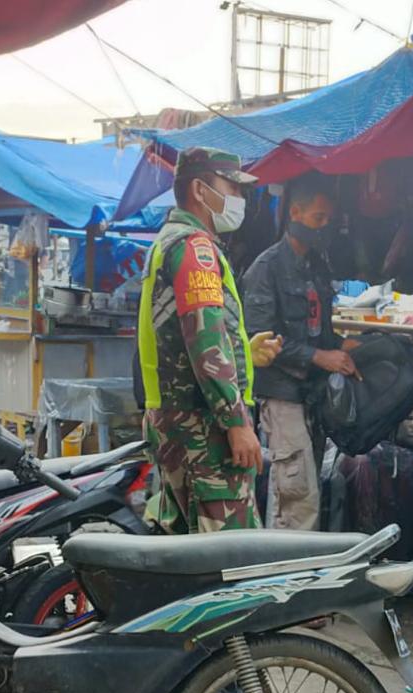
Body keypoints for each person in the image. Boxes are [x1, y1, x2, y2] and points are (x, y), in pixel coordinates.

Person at [136, 146, 279, 534]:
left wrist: (245, 355)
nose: (240, 198)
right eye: (231, 187)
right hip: (202, 426)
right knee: (230, 559)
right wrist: (236, 422)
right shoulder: (194, 248)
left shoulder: (169, 241)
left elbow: (186, 336)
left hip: (180, 419)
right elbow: (204, 337)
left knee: (189, 552)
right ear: (200, 190)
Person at [243, 176, 359, 530]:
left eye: (328, 220)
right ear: (295, 212)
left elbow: (318, 329)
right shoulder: (266, 268)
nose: (324, 227)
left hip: (313, 395)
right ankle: (287, 575)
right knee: (298, 495)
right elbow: (260, 338)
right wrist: (320, 357)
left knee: (299, 492)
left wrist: (340, 345)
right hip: (282, 395)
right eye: (317, 218)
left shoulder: (316, 266)